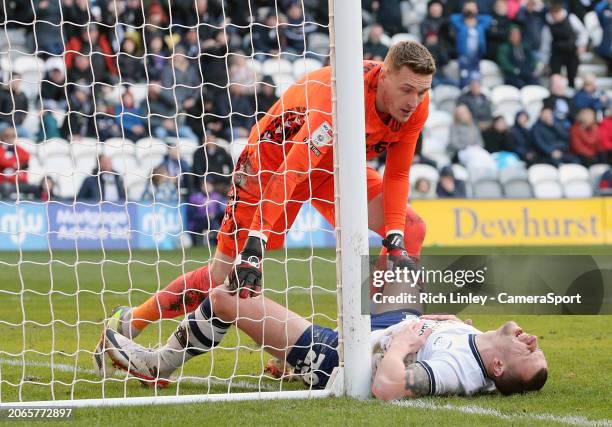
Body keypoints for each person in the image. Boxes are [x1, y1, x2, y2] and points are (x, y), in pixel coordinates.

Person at [94, 41, 435, 337]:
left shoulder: (417, 104)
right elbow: (292, 171)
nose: (415, 100)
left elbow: (397, 173)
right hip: (270, 164)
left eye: (421, 91)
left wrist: (393, 236)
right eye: (407, 90)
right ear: (385, 76)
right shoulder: (341, 97)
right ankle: (131, 321)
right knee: (224, 277)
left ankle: (373, 337)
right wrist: (255, 245)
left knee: (411, 228)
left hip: (334, 169)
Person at [97, 285, 548, 398]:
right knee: (402, 272)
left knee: (228, 297)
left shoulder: (457, 370)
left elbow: (388, 388)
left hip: (337, 356)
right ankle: (290, 364)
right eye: (537, 343)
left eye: (529, 352)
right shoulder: (474, 346)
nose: (532, 339)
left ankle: (158, 364)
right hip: (368, 333)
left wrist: (402, 343)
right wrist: (440, 324)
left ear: (498, 370)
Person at [543, 0, 588, 88]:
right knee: (555, 77)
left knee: (572, 77)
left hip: (571, 52)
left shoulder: (571, 18)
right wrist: (545, 61)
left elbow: (583, 32)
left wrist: (581, 45)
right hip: (557, 53)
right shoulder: (548, 24)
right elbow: (546, 43)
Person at [449, 1, 492, 87]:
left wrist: (474, 18)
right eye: (468, 8)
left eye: (472, 8)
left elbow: (488, 19)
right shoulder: (460, 25)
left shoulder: (479, 25)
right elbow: (453, 18)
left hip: (477, 57)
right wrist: (466, 15)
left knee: (476, 79)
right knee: (464, 79)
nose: (470, 10)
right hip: (463, 57)